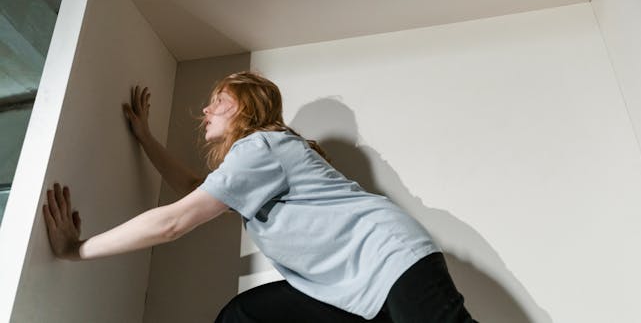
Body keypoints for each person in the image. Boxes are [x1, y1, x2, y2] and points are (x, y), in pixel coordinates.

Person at [43, 71, 476, 322]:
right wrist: (146, 139)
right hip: (347, 284)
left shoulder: (262, 148)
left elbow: (174, 221)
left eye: (217, 101)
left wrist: (78, 250)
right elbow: (196, 192)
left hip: (387, 258)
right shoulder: (255, 166)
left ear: (247, 104)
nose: (205, 111)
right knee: (245, 317)